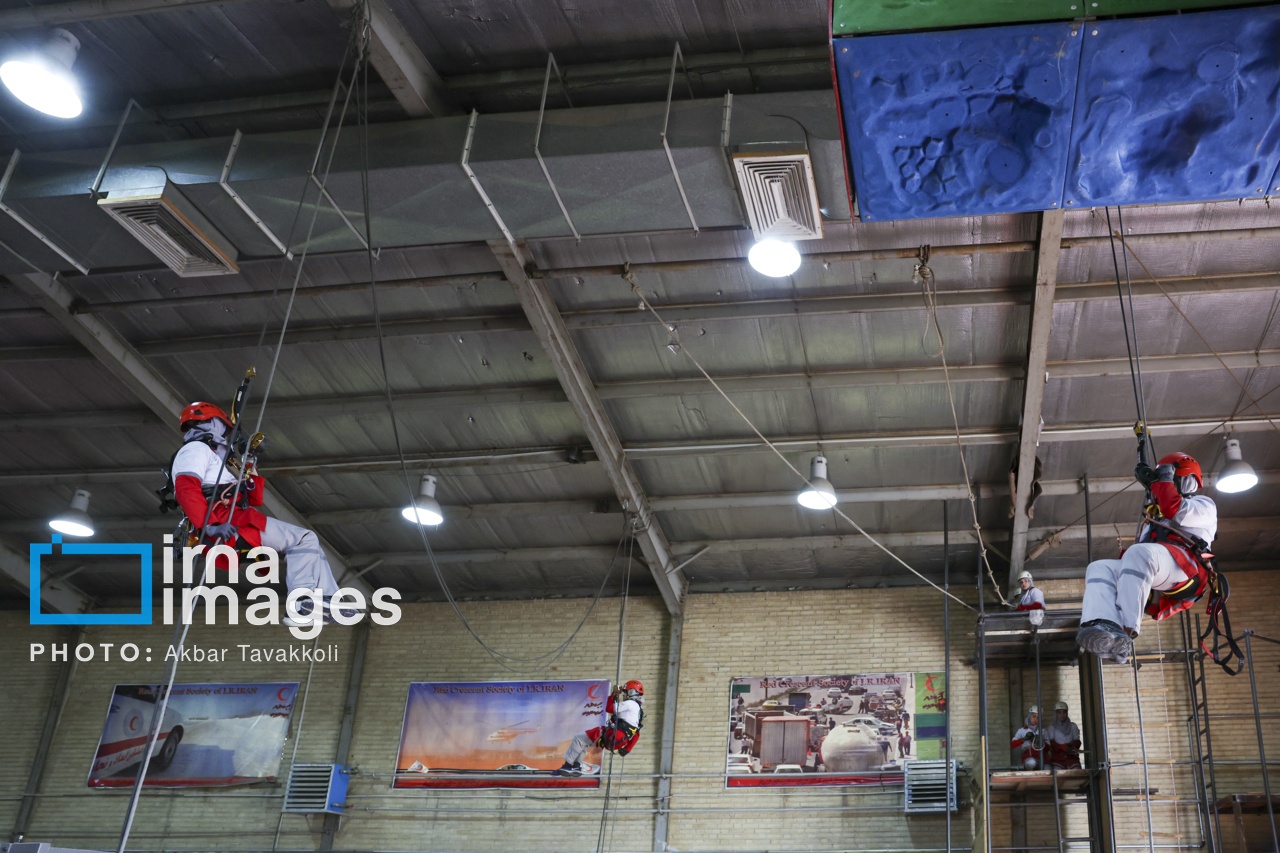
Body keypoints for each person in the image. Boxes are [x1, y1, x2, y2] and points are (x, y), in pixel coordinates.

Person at [169, 402, 349, 626]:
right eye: (224, 429)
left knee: (306, 542)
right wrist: (209, 525)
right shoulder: (196, 449)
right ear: (212, 424)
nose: (226, 436)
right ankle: (302, 603)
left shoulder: (216, 460)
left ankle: (325, 600)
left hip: (233, 519)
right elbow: (186, 488)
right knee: (304, 539)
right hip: (226, 520)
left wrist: (250, 463)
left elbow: (254, 499)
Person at [1077, 452, 1217, 664]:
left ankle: (1126, 630)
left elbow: (1176, 509)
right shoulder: (1155, 518)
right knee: (1098, 568)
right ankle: (1103, 625)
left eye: (1172, 478)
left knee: (1139, 553)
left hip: (1187, 570)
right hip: (1160, 569)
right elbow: (1137, 560)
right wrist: (1155, 485)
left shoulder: (1204, 505)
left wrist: (1160, 482)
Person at [554, 680, 644, 776]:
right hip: (620, 741)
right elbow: (636, 733)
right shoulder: (639, 711)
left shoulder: (630, 703)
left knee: (578, 739)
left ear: (632, 692)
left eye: (626, 692)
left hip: (613, 734)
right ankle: (576, 766)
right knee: (585, 742)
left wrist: (613, 695)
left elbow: (609, 708)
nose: (624, 695)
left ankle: (567, 766)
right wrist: (627, 749)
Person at [1046, 701, 1081, 770]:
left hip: (1072, 758)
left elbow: (1077, 741)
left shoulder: (1073, 726)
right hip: (1058, 759)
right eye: (1059, 712)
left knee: (1076, 771)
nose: (1062, 715)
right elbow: (1051, 743)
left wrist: (1071, 747)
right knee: (1057, 773)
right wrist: (1061, 747)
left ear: (1067, 713)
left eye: (1064, 712)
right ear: (1056, 714)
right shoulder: (1051, 728)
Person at [1011, 706, 1043, 770]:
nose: (1035, 719)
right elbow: (1013, 744)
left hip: (1041, 757)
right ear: (1029, 716)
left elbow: (1049, 747)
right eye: (1033, 716)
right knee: (1031, 763)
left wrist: (1040, 742)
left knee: (1047, 767)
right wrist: (1023, 739)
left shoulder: (1043, 731)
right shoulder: (1022, 730)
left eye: (1038, 718)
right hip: (1028, 758)